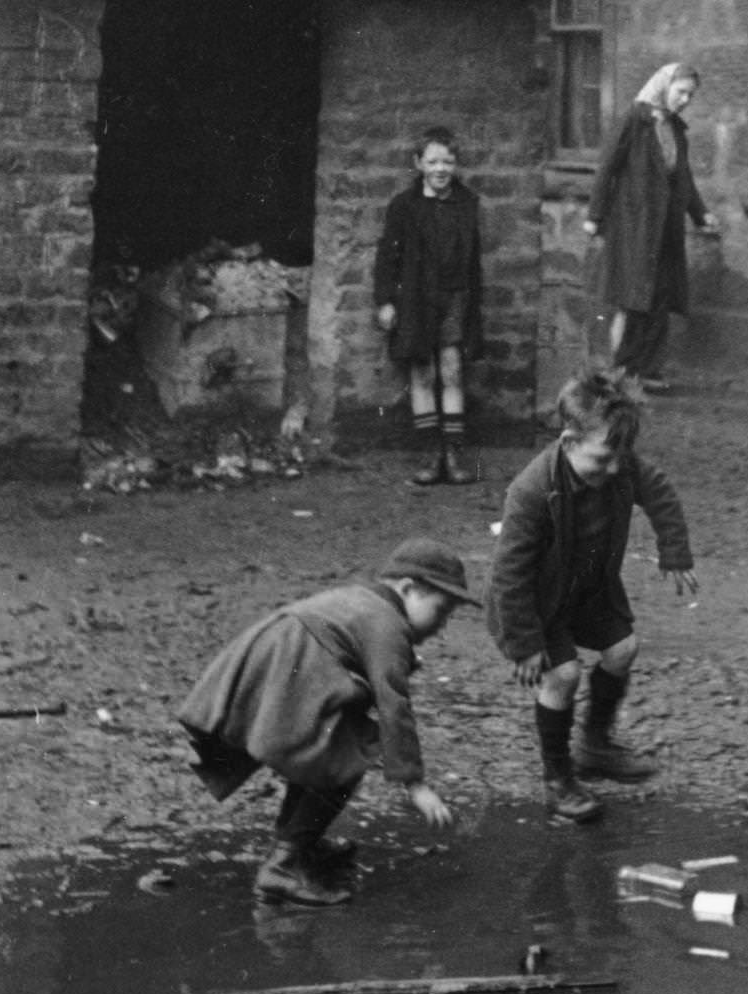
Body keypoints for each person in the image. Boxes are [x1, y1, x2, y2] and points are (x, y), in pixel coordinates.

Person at [178, 537, 480, 906]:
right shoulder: (388, 625)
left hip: (274, 670)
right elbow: (394, 705)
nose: (442, 625)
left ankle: (298, 845)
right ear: (408, 588)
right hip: (283, 676)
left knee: (325, 753)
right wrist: (415, 784)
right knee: (346, 756)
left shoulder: (363, 601)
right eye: (441, 609)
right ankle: (283, 864)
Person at [485, 366, 697, 824]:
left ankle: (594, 745)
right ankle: (558, 777)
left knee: (623, 649)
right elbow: (509, 573)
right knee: (562, 676)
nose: (616, 468)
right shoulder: (532, 491)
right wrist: (524, 644)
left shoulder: (619, 463)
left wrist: (674, 552)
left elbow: (659, 490)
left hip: (589, 588)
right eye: (602, 459)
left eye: (622, 457)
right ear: (568, 442)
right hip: (537, 601)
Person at [582, 62, 718, 392]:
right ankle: (620, 373)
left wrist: (701, 215)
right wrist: (595, 216)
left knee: (658, 298)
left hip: (665, 227)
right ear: (663, 86)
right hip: (633, 225)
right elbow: (608, 168)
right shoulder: (635, 120)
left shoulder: (674, 129)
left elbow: (683, 178)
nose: (685, 99)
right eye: (680, 92)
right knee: (631, 299)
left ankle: (647, 371)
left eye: (690, 94)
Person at [374, 124, 484, 486]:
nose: (441, 169)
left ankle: (453, 452)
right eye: (433, 161)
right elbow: (388, 258)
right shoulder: (404, 207)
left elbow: (472, 259)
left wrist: (470, 303)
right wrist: (386, 301)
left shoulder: (466, 204)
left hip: (453, 297)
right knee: (422, 373)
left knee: (451, 370)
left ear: (455, 165)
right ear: (418, 163)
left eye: (448, 162)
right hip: (416, 300)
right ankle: (429, 452)